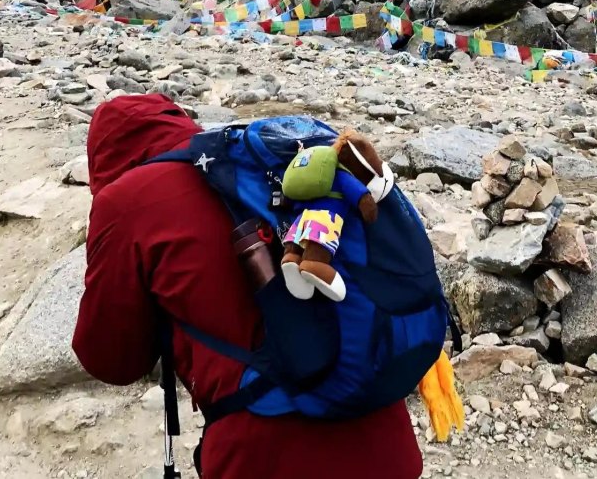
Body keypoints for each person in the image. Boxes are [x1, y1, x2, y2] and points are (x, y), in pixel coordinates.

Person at [72, 93, 423, 479]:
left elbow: (110, 360)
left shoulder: (126, 201)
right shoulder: (248, 166)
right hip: (386, 443)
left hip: (262, 455)